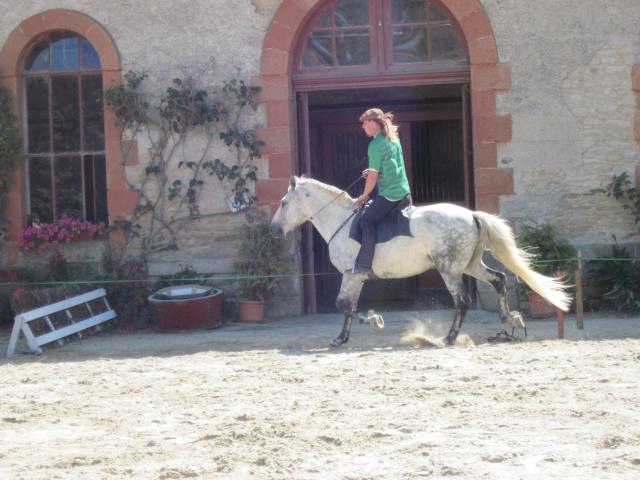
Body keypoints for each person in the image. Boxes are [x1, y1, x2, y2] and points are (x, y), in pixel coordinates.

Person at [350, 108, 411, 275]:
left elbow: (373, 177)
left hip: (390, 195)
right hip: (404, 191)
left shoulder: (375, 144)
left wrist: (363, 195)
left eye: (364, 123)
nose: (363, 127)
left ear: (372, 123)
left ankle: (364, 264)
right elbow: (388, 166)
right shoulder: (392, 137)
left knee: (366, 221)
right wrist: (371, 171)